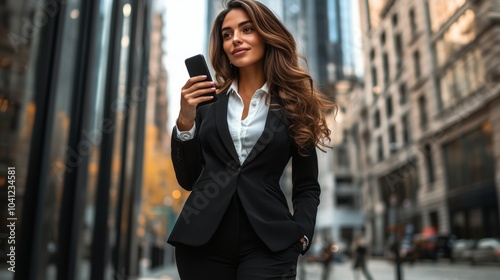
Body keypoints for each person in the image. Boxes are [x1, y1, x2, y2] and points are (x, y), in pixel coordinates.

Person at [168, 0, 335, 279]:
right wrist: (185, 122)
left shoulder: (294, 107)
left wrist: (302, 235)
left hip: (269, 242)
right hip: (203, 243)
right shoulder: (208, 106)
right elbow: (188, 179)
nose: (236, 39)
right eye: (227, 34)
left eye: (247, 29)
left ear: (266, 34)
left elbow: (306, 186)